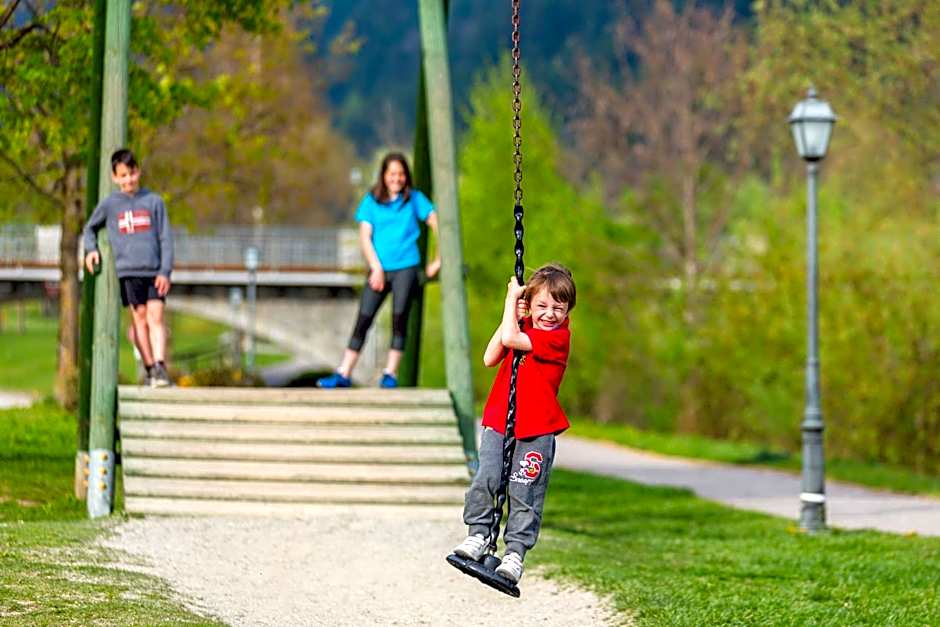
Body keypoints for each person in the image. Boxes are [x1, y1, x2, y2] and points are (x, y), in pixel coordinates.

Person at [452, 263, 576, 584]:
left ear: (567, 312)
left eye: (558, 308)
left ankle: (514, 554)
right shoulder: (520, 327)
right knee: (486, 479)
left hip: (536, 429)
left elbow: (511, 337)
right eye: (542, 306)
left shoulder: (558, 339)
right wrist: (512, 311)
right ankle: (478, 535)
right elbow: (490, 356)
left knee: (525, 492)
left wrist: (511, 300)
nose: (550, 314)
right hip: (499, 420)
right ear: (530, 305)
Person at [317, 153, 441, 388]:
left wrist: (438, 259)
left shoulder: (414, 199)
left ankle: (390, 374)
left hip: (406, 266)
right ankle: (344, 372)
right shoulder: (371, 201)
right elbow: (365, 236)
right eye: (392, 174)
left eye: (401, 174)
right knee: (364, 317)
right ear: (384, 176)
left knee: (399, 317)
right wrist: (376, 268)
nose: (397, 178)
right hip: (379, 269)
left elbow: (438, 223)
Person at [82, 148, 174, 388]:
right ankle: (150, 368)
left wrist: (165, 270)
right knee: (139, 319)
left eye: (131, 174)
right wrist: (91, 250)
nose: (128, 180)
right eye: (123, 176)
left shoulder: (154, 202)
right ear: (115, 177)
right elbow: (89, 228)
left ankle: (161, 366)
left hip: (154, 271)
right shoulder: (110, 204)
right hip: (129, 273)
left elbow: (165, 238)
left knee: (157, 317)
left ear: (138, 171)